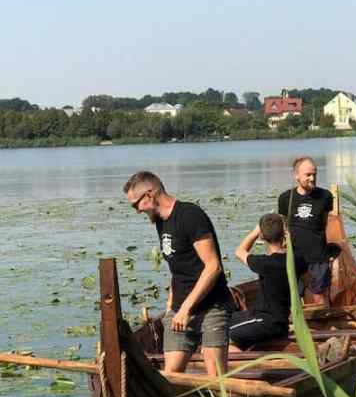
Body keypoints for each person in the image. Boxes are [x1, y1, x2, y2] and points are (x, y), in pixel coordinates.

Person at [123, 171, 232, 376]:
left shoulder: (190, 216)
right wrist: (172, 306)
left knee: (215, 377)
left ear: (149, 194)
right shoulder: (160, 222)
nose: (137, 211)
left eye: (135, 204)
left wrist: (186, 309)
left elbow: (213, 267)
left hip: (212, 306)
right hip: (180, 308)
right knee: (171, 374)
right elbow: (178, 267)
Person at [229, 213, 306, 350]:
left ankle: (245, 366)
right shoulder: (297, 260)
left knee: (220, 338)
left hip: (267, 322)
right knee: (224, 319)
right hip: (277, 320)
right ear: (284, 233)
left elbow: (240, 251)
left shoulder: (265, 263)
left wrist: (255, 231)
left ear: (262, 236)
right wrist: (286, 234)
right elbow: (293, 251)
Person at [277, 156, 335, 306]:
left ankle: (324, 327)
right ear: (296, 175)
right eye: (308, 174)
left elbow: (323, 223)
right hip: (294, 256)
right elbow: (284, 226)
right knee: (293, 297)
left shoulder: (325, 196)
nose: (312, 178)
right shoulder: (285, 198)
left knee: (320, 297)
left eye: (314, 174)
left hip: (318, 256)